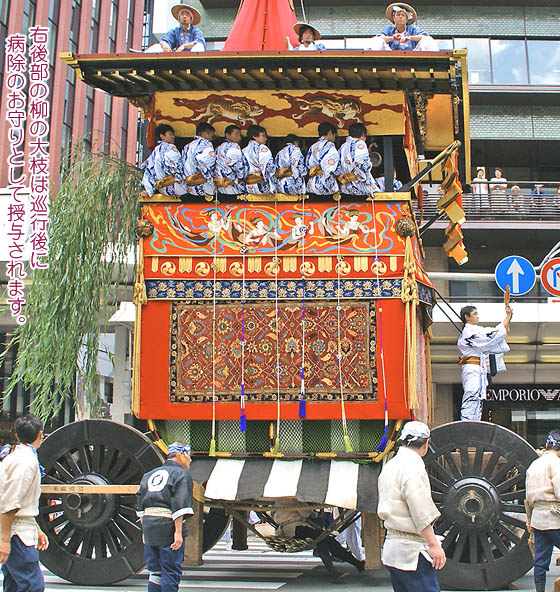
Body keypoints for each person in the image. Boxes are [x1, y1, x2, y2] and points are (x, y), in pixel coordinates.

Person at [377, 421, 445, 592]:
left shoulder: (391, 465)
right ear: (426, 443)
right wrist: (434, 545)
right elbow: (420, 510)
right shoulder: (413, 467)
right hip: (412, 553)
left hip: (393, 549)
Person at [0, 414, 49, 592]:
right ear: (40, 435)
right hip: (16, 534)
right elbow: (10, 503)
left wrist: (37, 529)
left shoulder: (15, 457)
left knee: (15, 584)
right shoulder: (26, 461)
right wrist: (5, 540)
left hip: (16, 530)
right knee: (32, 585)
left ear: (17, 436)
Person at [137, 442, 194, 592]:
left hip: (149, 524)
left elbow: (140, 499)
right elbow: (179, 504)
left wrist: (145, 528)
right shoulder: (181, 474)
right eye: (189, 455)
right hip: (167, 525)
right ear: (181, 454)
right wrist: (178, 532)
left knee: (155, 571)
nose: (190, 460)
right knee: (170, 570)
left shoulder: (150, 474)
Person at [274, 508, 365, 583]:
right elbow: (305, 513)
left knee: (329, 540)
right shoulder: (292, 497)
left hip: (299, 526)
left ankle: (357, 564)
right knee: (322, 539)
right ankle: (332, 571)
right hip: (293, 528)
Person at [457, 303, 512, 421]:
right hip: (472, 368)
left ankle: (474, 421)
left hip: (477, 368)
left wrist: (504, 328)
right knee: (472, 395)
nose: (477, 317)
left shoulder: (473, 331)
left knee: (477, 398)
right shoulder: (469, 331)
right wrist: (507, 317)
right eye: (474, 314)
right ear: (467, 317)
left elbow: (492, 339)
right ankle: (467, 422)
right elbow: (492, 334)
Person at [525, 429, 560, 592]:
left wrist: (529, 521)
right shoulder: (556, 464)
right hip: (555, 518)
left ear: (547, 444)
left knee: (540, 561)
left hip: (538, 518)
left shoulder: (534, 464)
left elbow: (528, 498)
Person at [140, 124, 188, 199]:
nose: (173, 136)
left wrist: (149, 188)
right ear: (162, 136)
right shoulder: (170, 147)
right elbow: (177, 167)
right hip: (177, 186)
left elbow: (145, 166)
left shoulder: (156, 150)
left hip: (162, 189)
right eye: (170, 134)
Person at [367, 3, 439, 52]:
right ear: (394, 18)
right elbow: (380, 37)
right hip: (391, 55)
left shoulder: (412, 28)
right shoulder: (388, 29)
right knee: (377, 39)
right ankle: (368, 57)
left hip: (412, 56)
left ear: (407, 19)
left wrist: (409, 38)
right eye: (398, 15)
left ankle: (432, 60)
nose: (400, 17)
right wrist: (392, 38)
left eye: (403, 15)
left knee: (427, 39)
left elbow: (423, 36)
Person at [336, 123, 378, 197]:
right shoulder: (360, 143)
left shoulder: (343, 146)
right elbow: (364, 164)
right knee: (378, 194)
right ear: (362, 134)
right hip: (359, 185)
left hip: (345, 186)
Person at [182, 122, 216, 200]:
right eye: (211, 135)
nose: (212, 139)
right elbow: (207, 162)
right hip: (204, 187)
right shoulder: (206, 143)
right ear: (205, 134)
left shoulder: (187, 146)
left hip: (190, 188)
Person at [306, 121, 339, 197]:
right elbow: (333, 168)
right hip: (325, 184)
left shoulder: (313, 146)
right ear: (330, 133)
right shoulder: (330, 145)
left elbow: (308, 165)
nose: (334, 138)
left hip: (312, 184)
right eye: (334, 135)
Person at [214, 125, 247, 199]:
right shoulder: (234, 146)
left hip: (221, 187)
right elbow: (238, 166)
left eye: (240, 135)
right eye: (236, 134)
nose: (239, 137)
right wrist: (241, 177)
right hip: (234, 187)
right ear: (227, 135)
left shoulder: (218, 148)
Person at [242, 125, 276, 195]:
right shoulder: (263, 148)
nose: (265, 139)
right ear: (254, 136)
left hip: (247, 186)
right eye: (263, 136)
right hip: (261, 186)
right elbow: (269, 168)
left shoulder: (243, 150)